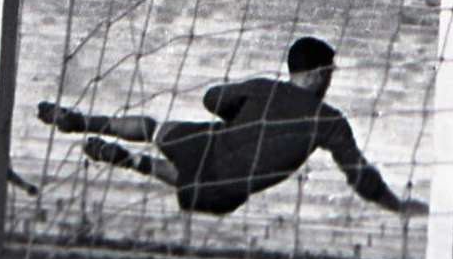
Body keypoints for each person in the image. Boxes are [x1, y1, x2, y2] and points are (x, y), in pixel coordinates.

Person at [36, 35, 428, 218]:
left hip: (211, 143)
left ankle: (84, 121)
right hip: (229, 185)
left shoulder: (262, 88)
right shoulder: (330, 120)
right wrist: (395, 206)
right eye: (329, 73)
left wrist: (239, 115)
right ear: (318, 74)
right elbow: (359, 174)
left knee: (157, 130)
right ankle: (130, 162)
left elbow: (212, 98)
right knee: (197, 181)